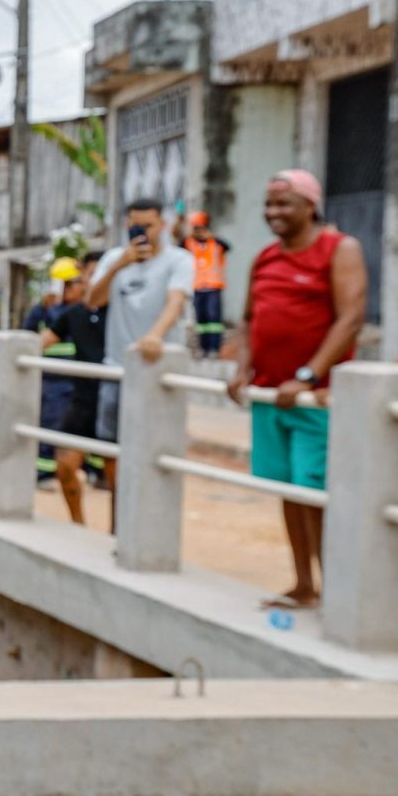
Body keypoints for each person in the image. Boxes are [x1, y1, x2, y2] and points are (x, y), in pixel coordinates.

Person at [227, 169, 366, 611]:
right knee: (288, 488)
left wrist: (307, 376)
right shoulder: (265, 257)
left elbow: (351, 318)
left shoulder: (338, 248)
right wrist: (242, 368)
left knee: (315, 490)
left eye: (284, 203)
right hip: (270, 396)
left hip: (314, 398)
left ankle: (338, 593)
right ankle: (305, 585)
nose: (273, 212)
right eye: (269, 204)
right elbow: (248, 319)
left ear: (310, 205)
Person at [87, 198, 194, 454]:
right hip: (117, 367)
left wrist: (154, 337)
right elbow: (92, 301)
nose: (144, 232)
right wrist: (119, 265)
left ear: (162, 225)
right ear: (127, 225)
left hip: (160, 367)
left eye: (149, 226)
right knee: (111, 446)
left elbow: (176, 302)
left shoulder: (179, 260)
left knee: (159, 446)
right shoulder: (114, 258)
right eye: (137, 226)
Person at [40, 253, 108, 524]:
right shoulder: (72, 313)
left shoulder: (121, 313)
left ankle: (117, 535)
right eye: (88, 274)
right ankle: (77, 523)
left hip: (113, 400)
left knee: (117, 474)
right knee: (65, 465)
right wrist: (4, 353)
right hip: (81, 399)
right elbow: (41, 340)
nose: (93, 280)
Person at [184, 211, 231, 358]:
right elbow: (179, 244)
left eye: (201, 228)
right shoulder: (190, 243)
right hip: (197, 287)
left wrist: (211, 236)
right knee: (201, 320)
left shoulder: (215, 243)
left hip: (213, 286)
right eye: (195, 229)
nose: (198, 232)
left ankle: (214, 348)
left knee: (214, 319)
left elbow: (228, 246)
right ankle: (204, 348)